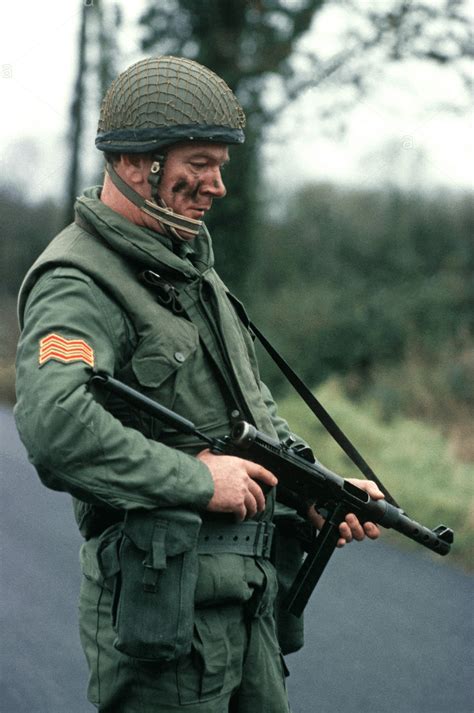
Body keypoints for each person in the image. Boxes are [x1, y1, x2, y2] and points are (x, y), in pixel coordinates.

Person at [14, 56, 383, 713]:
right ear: (136, 163)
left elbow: (251, 412)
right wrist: (195, 478)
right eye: (200, 163)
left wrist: (315, 492)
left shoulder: (192, 273)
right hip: (164, 617)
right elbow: (54, 424)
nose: (216, 186)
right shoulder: (80, 280)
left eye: (221, 166)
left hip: (246, 606)